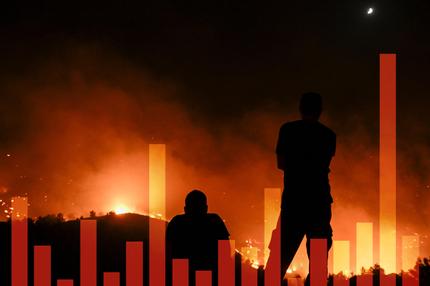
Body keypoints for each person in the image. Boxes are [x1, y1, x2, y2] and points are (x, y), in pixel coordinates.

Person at [267, 92, 336, 285]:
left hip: (294, 201)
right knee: (319, 261)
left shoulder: (288, 130)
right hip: (319, 202)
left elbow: (281, 164)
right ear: (320, 110)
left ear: (300, 108)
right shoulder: (328, 135)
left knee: (278, 259)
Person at [166, 190, 230, 286]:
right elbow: (226, 252)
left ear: (185, 209)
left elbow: (169, 252)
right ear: (206, 208)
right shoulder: (215, 221)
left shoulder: (176, 223)